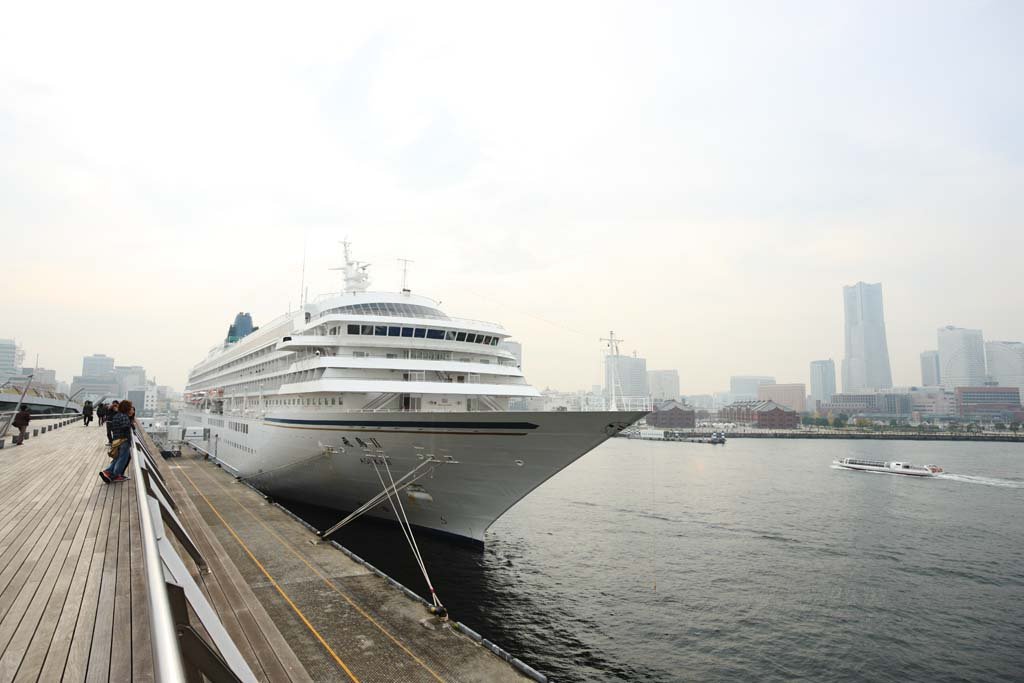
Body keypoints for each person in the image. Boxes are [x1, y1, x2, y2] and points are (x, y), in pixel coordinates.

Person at [100, 400, 135, 483]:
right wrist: (129, 439)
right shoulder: (124, 416)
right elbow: (125, 428)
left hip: (116, 440)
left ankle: (107, 472)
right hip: (123, 440)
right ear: (127, 408)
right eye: (130, 407)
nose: (131, 409)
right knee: (122, 459)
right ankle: (115, 475)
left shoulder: (116, 416)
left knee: (117, 458)